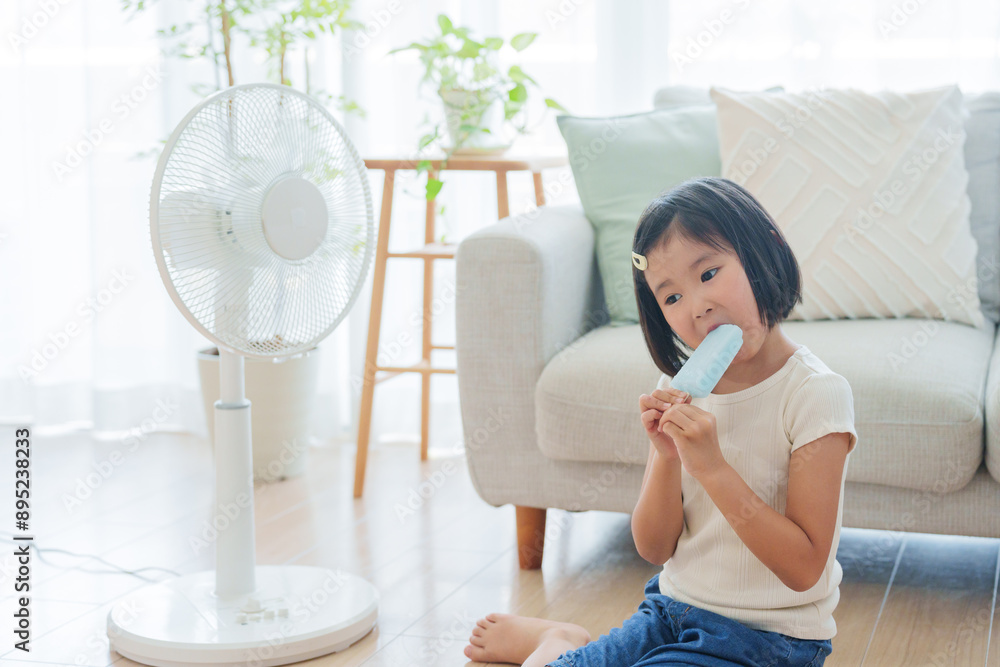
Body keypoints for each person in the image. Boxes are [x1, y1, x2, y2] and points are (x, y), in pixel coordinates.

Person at [464, 177, 858, 666]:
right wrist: (665, 456)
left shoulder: (814, 394)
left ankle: (563, 648)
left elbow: (803, 569)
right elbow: (654, 547)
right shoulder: (680, 389)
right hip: (670, 611)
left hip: (769, 640)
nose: (697, 305)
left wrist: (713, 469)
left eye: (709, 273)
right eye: (671, 298)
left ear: (765, 253)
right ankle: (561, 643)